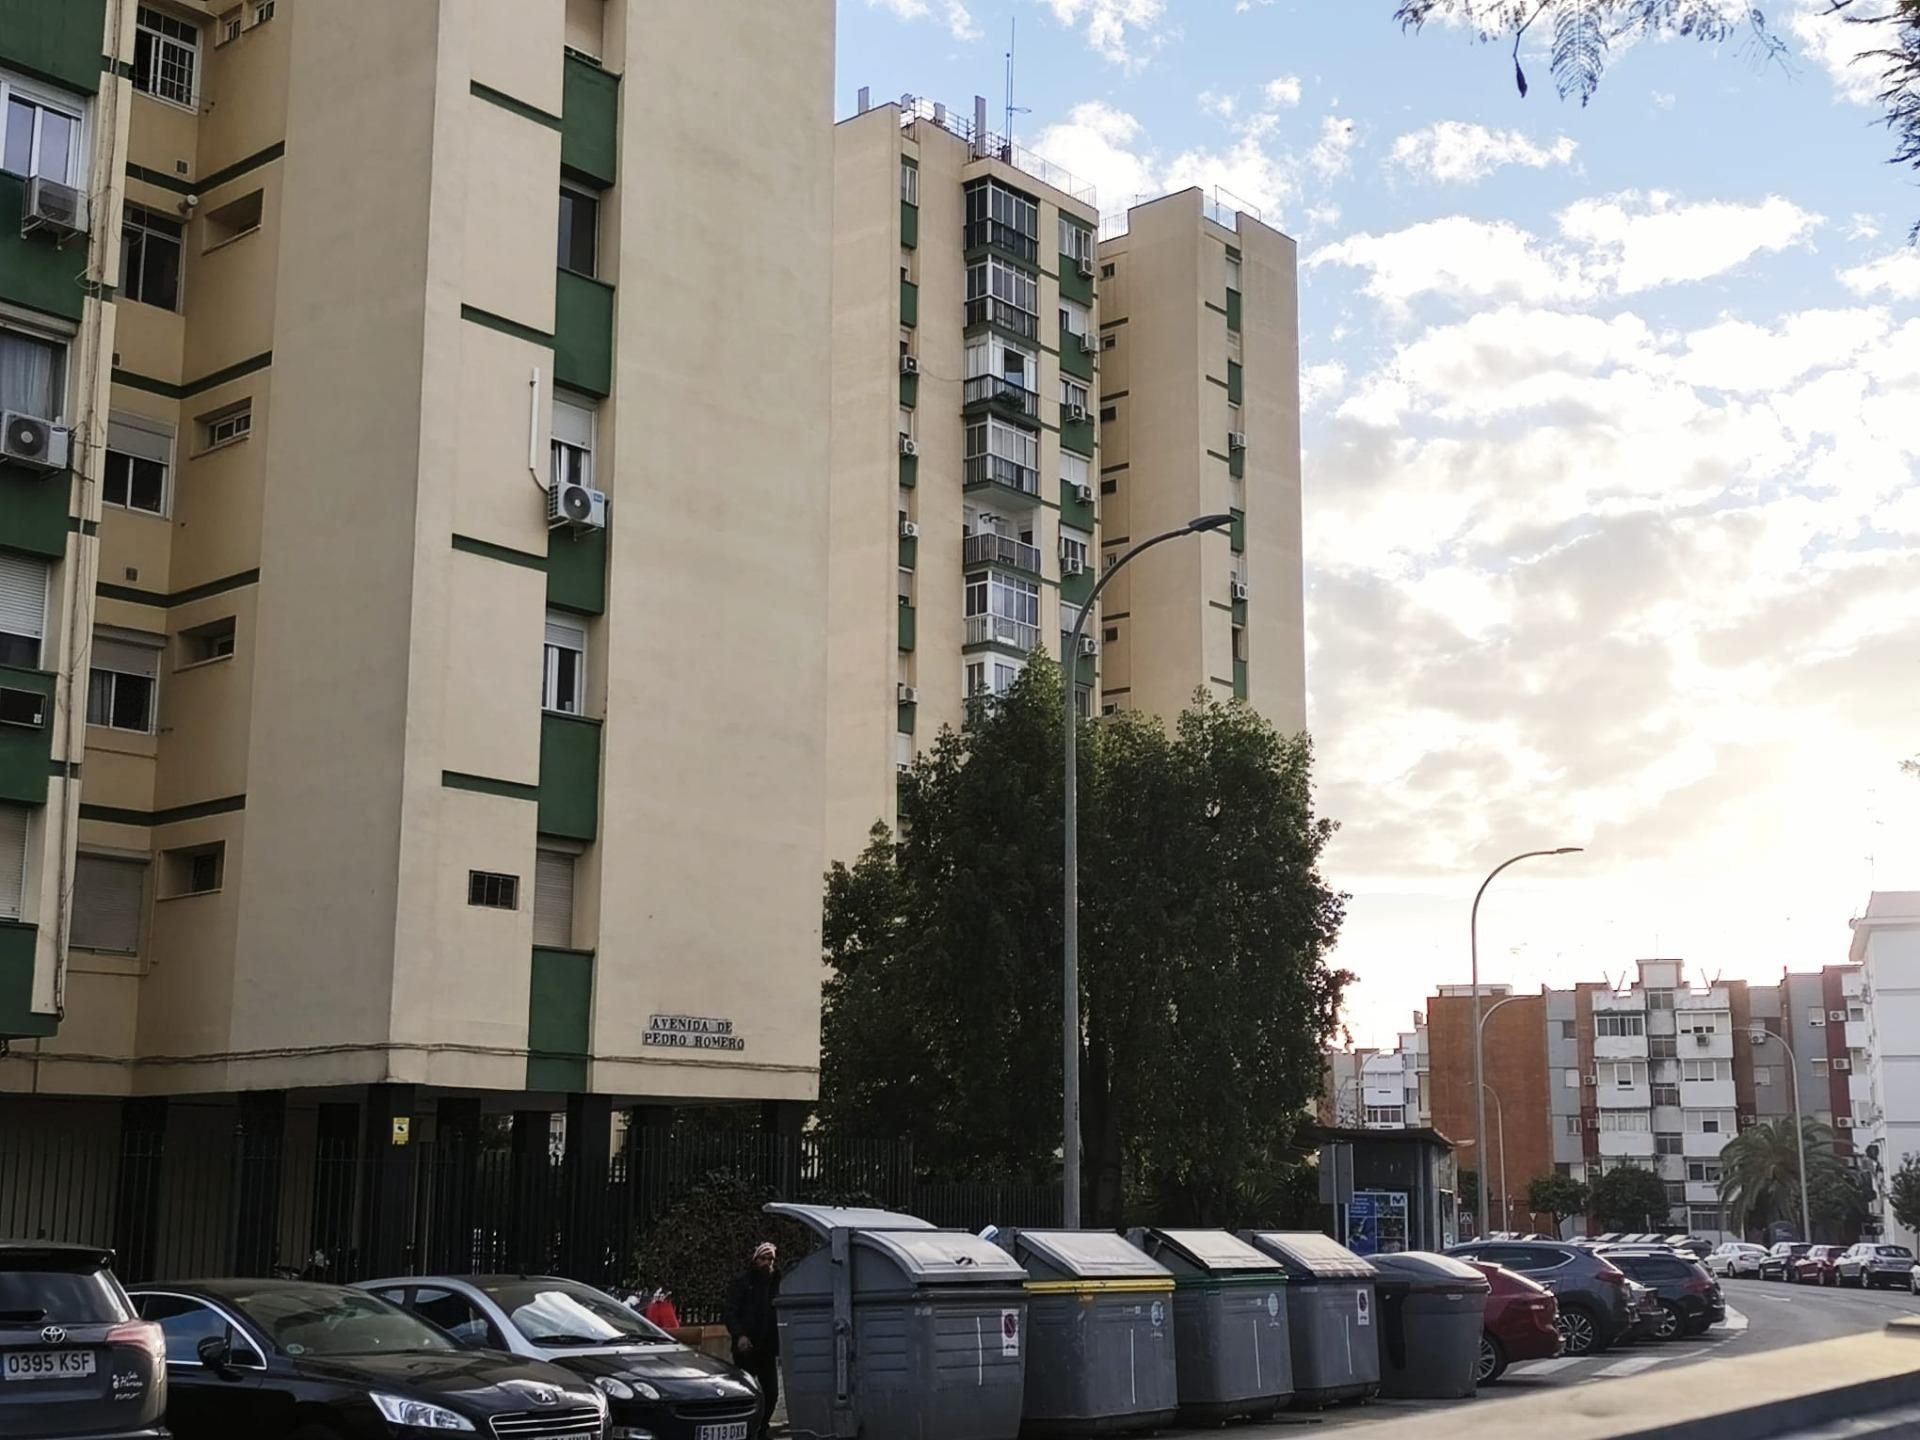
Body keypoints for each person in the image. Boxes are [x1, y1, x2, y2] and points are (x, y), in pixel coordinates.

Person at [724, 1241, 781, 1437]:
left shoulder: (776, 1282)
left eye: (770, 1259)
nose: (767, 1263)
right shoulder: (742, 1281)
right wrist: (739, 1334)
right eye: (763, 1259)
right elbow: (730, 1311)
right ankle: (745, 1429)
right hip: (746, 1347)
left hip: (767, 1347)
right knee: (746, 1391)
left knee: (771, 1393)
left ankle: (761, 1428)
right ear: (755, 1259)